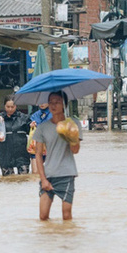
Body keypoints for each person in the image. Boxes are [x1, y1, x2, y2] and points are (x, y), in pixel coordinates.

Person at [33, 91, 82, 221]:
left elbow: (75, 150)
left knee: (66, 215)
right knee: (43, 216)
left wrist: (71, 135)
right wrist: (43, 179)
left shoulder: (74, 124)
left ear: (64, 105)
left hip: (66, 173)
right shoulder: (42, 127)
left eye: (57, 102)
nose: (53, 106)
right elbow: (37, 154)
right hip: (48, 174)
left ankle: (66, 240)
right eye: (51, 102)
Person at [0, 95, 31, 176]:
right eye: (8, 107)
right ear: (4, 106)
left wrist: (32, 125)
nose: (10, 109)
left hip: (22, 154)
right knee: (7, 180)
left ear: (16, 106)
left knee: (24, 179)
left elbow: (31, 132)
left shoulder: (24, 118)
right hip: (5, 155)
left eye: (12, 107)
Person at [28, 103, 51, 173]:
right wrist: (31, 125)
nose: (42, 104)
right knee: (35, 172)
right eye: (40, 102)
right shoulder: (34, 115)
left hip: (50, 146)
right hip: (36, 146)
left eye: (44, 101)